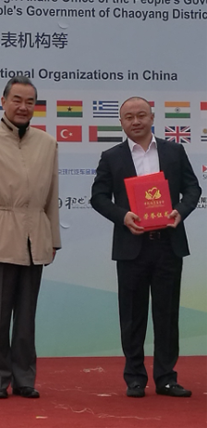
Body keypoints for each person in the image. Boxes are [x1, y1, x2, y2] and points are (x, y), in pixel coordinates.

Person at [90, 96, 200, 398]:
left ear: (152, 117)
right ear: (121, 122)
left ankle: (166, 378)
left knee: (167, 316)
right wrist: (122, 216)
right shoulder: (111, 157)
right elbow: (98, 197)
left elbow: (193, 188)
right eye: (129, 117)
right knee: (132, 316)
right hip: (131, 247)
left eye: (141, 115)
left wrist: (180, 211)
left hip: (168, 245)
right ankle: (135, 377)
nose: (135, 121)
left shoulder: (174, 151)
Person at [0, 75, 60, 399]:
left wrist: (53, 238)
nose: (23, 107)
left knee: (27, 315)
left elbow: (52, 196)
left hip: (36, 238)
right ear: (3, 101)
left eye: (30, 101)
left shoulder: (47, 143)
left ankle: (24, 378)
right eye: (17, 100)